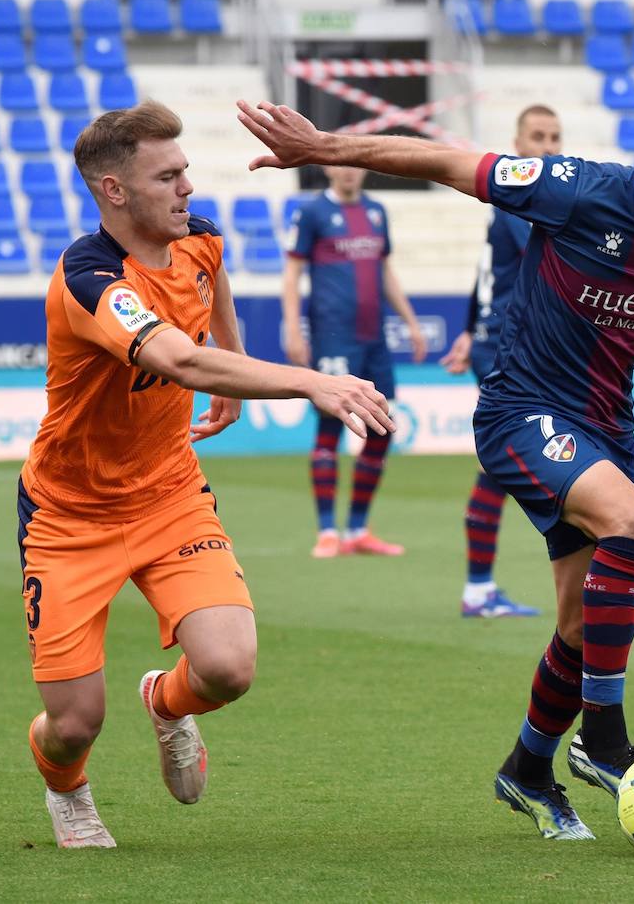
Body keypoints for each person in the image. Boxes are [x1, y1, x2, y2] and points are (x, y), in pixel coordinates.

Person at [238, 99, 634, 840]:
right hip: (523, 411)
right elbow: (449, 164)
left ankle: (527, 768)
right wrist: (326, 145)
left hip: (608, 429)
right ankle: (605, 742)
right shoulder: (574, 189)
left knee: (583, 626)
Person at [20, 100, 393, 849]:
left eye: (185, 169)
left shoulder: (199, 238)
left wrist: (229, 365)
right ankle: (68, 791)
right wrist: (309, 380)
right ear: (115, 191)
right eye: (167, 175)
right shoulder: (91, 279)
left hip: (168, 494)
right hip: (69, 516)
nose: (187, 186)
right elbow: (174, 357)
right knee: (73, 724)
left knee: (227, 668)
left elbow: (212, 293)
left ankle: (164, 702)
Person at [439, 104, 634, 617]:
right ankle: (480, 587)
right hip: (512, 351)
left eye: (555, 136)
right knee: (507, 464)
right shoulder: (528, 207)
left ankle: (606, 567)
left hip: (498, 339)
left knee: (555, 459)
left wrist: (464, 331)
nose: (547, 145)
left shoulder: (527, 204)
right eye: (537, 136)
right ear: (517, 144)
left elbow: (486, 276)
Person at [282, 163, 426, 559]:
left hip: (374, 337)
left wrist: (411, 322)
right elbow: (292, 273)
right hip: (333, 336)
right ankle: (328, 531)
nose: (348, 173)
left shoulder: (376, 212)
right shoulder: (312, 213)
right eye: (341, 166)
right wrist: (293, 329)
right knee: (331, 427)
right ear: (328, 168)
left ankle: (359, 528)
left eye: (355, 167)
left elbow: (384, 271)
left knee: (383, 426)